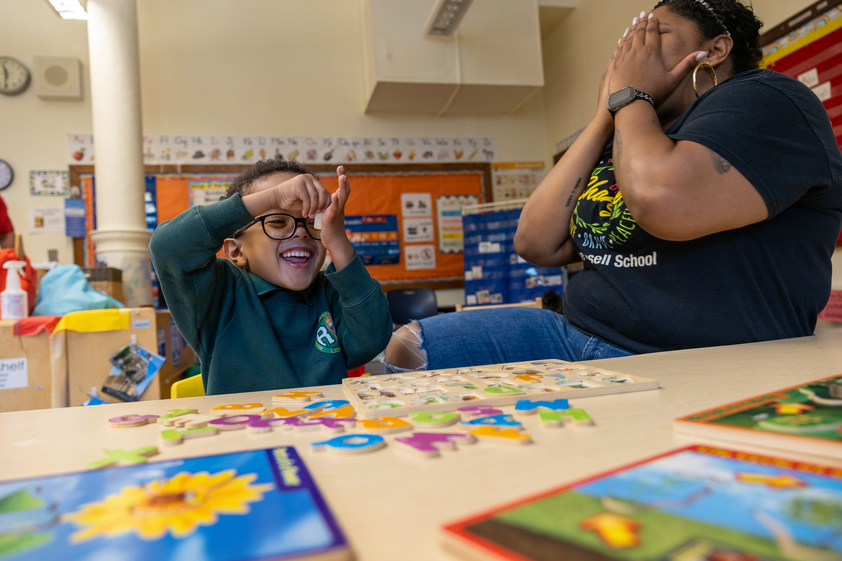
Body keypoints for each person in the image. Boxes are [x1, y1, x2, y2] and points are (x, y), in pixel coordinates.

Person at [385, 0, 842, 371]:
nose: (630, 52)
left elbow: (661, 201)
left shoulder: (768, 98)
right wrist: (607, 113)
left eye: (653, 35)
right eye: (628, 42)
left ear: (716, 49)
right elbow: (534, 242)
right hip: (579, 335)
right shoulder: (632, 131)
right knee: (407, 348)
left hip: (704, 357)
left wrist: (630, 97)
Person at [149, 160, 392, 394]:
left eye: (312, 222)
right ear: (236, 250)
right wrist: (273, 197)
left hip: (328, 431)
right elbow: (168, 247)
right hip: (250, 433)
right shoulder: (221, 293)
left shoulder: (330, 292)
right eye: (277, 220)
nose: (301, 231)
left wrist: (337, 239)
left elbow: (372, 339)